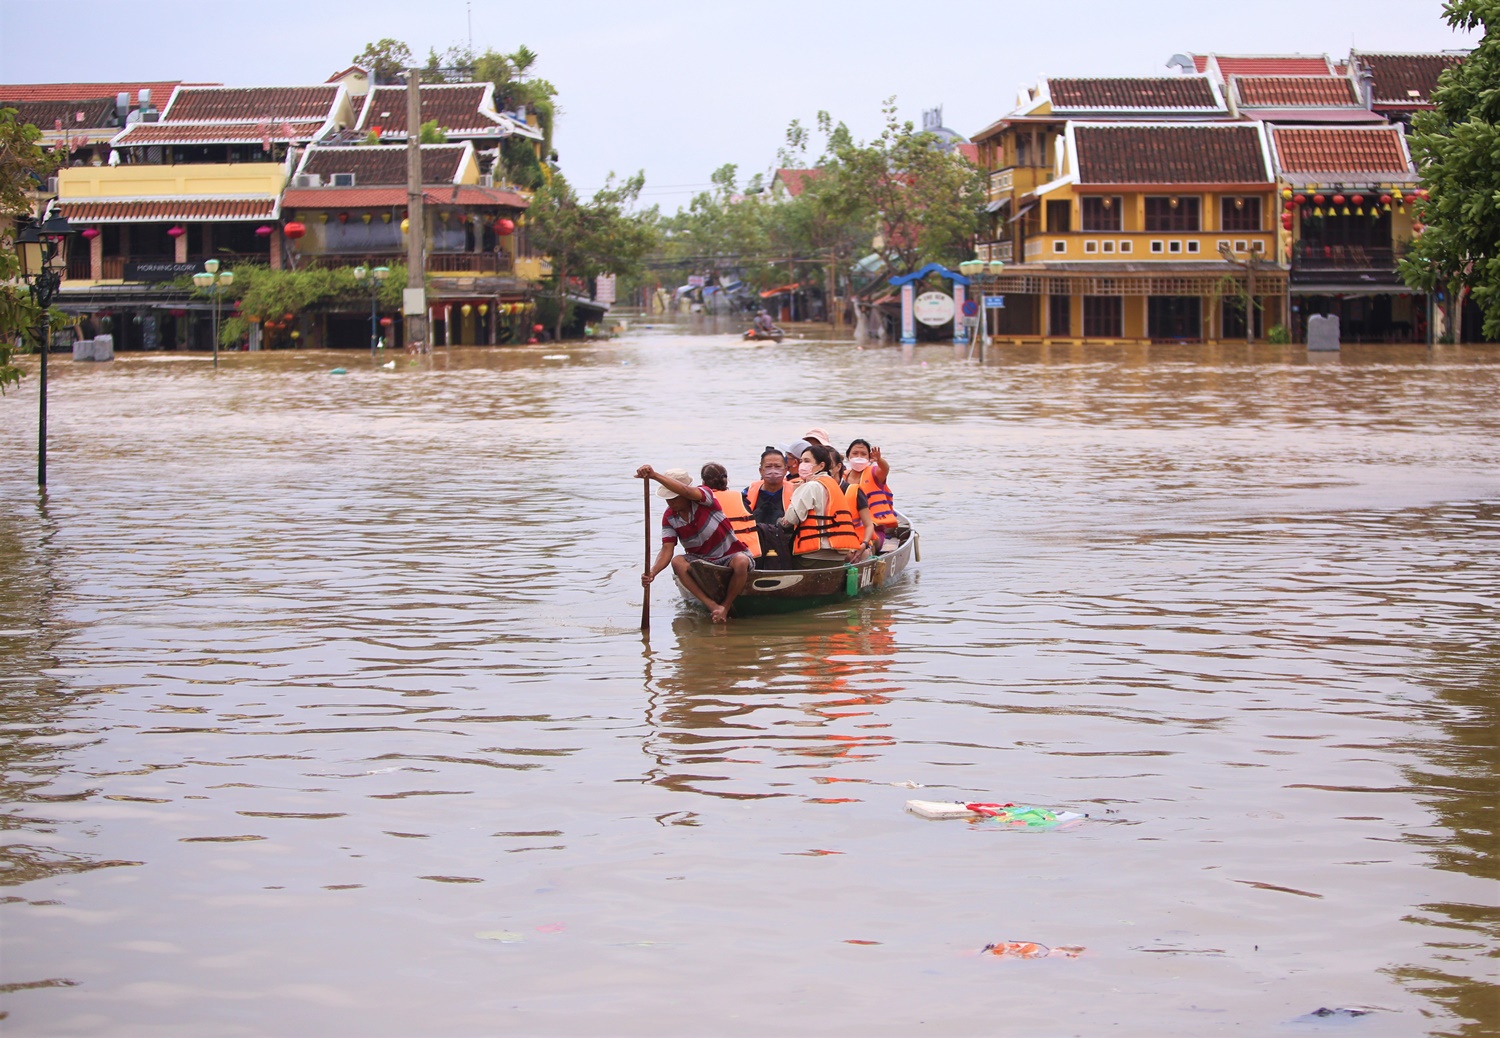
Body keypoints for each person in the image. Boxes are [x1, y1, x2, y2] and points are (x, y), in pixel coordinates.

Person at [639, 465, 754, 623]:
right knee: (677, 562)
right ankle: (713, 606)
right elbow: (667, 549)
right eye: (668, 498)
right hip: (700, 559)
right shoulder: (669, 517)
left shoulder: (705, 497)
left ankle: (725, 607)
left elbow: (686, 491)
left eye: (674, 497)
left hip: (728, 554)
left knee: (741, 562)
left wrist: (654, 475)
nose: (670, 502)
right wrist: (652, 572)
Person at [777, 444, 862, 566]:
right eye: (801, 461)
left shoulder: (811, 486)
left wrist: (795, 493)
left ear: (821, 465)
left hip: (813, 555)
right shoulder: (832, 484)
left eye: (807, 461)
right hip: (838, 556)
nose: (802, 465)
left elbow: (791, 518)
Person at [743, 447, 795, 568]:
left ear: (786, 469)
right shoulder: (747, 492)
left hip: (786, 546)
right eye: (768, 467)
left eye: (777, 466)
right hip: (755, 546)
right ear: (760, 471)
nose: (773, 471)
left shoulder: (796, 492)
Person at [702, 462, 763, 560]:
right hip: (750, 554)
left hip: (716, 557)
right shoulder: (740, 497)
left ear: (703, 483)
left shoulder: (701, 502)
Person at [846, 438, 897, 538]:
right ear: (848, 456)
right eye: (855, 453)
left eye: (863, 454)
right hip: (848, 527)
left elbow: (885, 469)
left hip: (874, 528)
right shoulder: (843, 477)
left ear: (869, 458)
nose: (859, 457)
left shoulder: (875, 473)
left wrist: (880, 460)